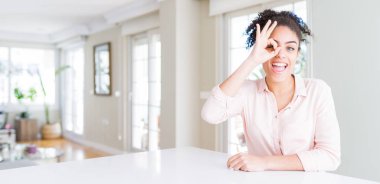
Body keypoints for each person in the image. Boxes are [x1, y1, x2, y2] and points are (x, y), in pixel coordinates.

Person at [201, 9, 340, 172]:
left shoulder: (318, 91)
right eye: (271, 46)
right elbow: (210, 114)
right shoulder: (248, 92)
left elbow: (330, 156)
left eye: (290, 48)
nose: (280, 55)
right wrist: (252, 60)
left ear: (297, 54)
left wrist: (264, 162)